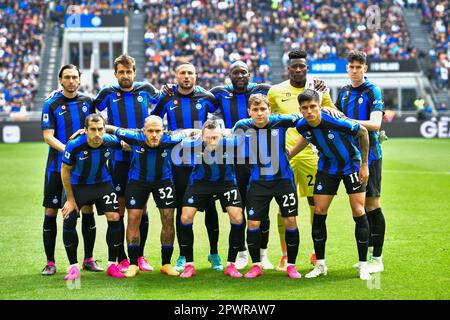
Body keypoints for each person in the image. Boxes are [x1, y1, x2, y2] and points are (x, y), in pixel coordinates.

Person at [290, 89, 372, 280]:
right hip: (327, 169)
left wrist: (364, 165)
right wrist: (290, 155)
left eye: (313, 106)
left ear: (320, 106)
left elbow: (363, 132)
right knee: (319, 211)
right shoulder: (302, 125)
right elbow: (307, 137)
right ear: (300, 110)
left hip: (351, 166)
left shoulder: (335, 120)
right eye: (305, 108)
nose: (309, 111)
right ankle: (320, 265)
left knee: (358, 211)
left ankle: (363, 265)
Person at [267, 50, 336, 271]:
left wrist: (323, 101)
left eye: (302, 66)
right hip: (285, 156)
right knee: (283, 206)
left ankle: (317, 253)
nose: (298, 69)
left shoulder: (318, 91)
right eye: (294, 66)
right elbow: (267, 119)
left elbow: (333, 113)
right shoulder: (276, 91)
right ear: (288, 68)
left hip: (311, 156)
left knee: (316, 205)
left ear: (307, 67)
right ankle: (285, 255)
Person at [151, 62, 222, 273]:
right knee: (183, 209)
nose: (187, 76)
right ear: (176, 76)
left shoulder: (206, 98)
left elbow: (222, 112)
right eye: (182, 73)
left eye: (190, 73)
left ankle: (214, 252)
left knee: (210, 207)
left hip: (204, 160)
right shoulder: (166, 98)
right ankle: (183, 255)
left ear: (196, 76)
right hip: (178, 162)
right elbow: (154, 119)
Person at [94, 54, 162, 273]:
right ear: (115, 74)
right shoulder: (107, 94)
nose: (125, 75)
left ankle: (139, 256)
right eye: (121, 72)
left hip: (141, 158)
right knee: (119, 211)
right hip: (117, 161)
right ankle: (121, 258)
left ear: (135, 72)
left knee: (141, 209)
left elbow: (166, 99)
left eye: (129, 71)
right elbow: (90, 109)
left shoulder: (146, 90)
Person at [108, 116, 198, 277]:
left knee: (168, 218)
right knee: (134, 218)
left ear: (163, 131)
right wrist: (83, 130)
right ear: (144, 131)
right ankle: (134, 264)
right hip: (137, 183)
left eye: (158, 131)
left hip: (163, 182)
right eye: (150, 131)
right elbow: (111, 129)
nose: (154, 135)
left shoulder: (171, 139)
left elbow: (189, 131)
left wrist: (203, 132)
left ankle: (166, 264)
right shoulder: (134, 137)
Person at [210, 60, 271, 270]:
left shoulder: (261, 91)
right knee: (237, 210)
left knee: (261, 209)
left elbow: (286, 93)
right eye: (235, 73)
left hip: (259, 159)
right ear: (229, 76)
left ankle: (263, 254)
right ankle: (242, 252)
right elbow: (197, 97)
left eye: (243, 72)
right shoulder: (219, 93)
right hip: (233, 161)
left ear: (249, 74)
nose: (240, 76)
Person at [232, 94, 301, 279]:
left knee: (290, 221)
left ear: (269, 109)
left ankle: (291, 265)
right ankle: (256, 265)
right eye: (255, 110)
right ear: (249, 111)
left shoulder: (282, 121)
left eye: (263, 109)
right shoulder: (242, 126)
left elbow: (306, 120)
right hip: (258, 182)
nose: (259, 113)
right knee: (254, 223)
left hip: (283, 181)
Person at [40, 64, 101, 276]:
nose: (72, 81)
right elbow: (48, 136)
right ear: (60, 80)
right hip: (56, 168)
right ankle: (50, 262)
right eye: (67, 77)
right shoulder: (51, 103)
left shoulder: (88, 101)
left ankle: (89, 259)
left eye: (75, 77)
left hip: (82, 169)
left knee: (86, 210)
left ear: (80, 79)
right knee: (51, 211)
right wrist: (69, 150)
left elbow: (96, 128)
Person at [335, 50, 386, 273]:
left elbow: (375, 124)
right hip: (350, 158)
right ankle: (365, 257)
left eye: (359, 67)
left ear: (365, 68)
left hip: (371, 156)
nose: (355, 71)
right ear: (347, 68)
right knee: (359, 207)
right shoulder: (344, 93)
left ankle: (378, 258)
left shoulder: (372, 90)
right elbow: (333, 117)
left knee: (372, 205)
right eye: (351, 67)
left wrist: (346, 121)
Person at [61, 114, 126, 281]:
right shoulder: (74, 145)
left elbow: (128, 144)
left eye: (100, 129)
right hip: (78, 186)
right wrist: (70, 199)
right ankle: (73, 267)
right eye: (93, 130)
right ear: (85, 130)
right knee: (69, 219)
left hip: (102, 184)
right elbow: (65, 170)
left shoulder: (110, 140)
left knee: (115, 217)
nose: (97, 134)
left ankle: (112, 264)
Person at [178, 120, 245, 278]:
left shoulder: (231, 142)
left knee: (237, 218)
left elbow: (247, 137)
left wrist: (229, 131)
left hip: (226, 183)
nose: (212, 141)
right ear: (202, 136)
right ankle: (189, 264)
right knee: (186, 218)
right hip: (199, 184)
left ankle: (231, 264)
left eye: (216, 137)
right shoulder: (191, 144)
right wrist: (189, 131)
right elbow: (177, 139)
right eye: (208, 138)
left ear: (221, 135)